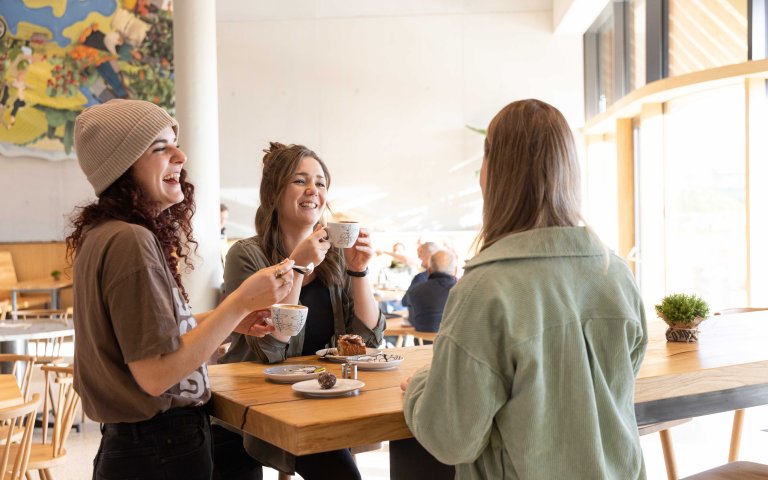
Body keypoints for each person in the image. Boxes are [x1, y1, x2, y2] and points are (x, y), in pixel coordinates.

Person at [401, 99, 648, 479]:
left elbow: (450, 438)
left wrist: (420, 384)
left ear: (495, 173)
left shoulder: (484, 289)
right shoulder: (615, 273)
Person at [65, 99, 295, 480]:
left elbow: (148, 337)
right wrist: (238, 304)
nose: (181, 155)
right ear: (122, 167)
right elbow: (157, 375)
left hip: (139, 447)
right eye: (160, 148)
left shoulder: (105, 234)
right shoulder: (130, 240)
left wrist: (226, 322)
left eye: (174, 143)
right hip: (160, 449)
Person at [215, 141, 385, 480]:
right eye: (300, 180)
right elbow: (272, 350)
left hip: (315, 400)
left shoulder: (336, 257)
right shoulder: (246, 256)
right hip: (247, 406)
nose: (313, 190)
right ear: (274, 192)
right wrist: (297, 267)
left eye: (320, 183)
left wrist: (359, 270)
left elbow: (367, 342)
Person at [406, 249, 457, 335]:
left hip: (421, 345)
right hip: (450, 346)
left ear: (429, 271)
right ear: (455, 271)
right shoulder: (461, 291)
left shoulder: (414, 291)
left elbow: (411, 319)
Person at [400, 241, 439, 318]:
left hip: (422, 323)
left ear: (430, 255)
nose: (418, 256)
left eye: (421, 252)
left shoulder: (421, 277)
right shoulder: (451, 279)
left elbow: (405, 301)